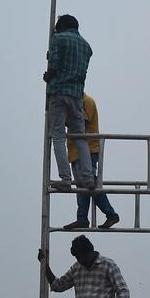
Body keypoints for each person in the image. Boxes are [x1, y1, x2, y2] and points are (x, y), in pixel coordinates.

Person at [44, 14, 94, 191]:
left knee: (58, 136)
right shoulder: (86, 47)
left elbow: (54, 65)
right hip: (77, 96)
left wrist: (47, 75)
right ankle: (88, 178)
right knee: (80, 137)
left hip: (58, 93)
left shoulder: (58, 39)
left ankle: (65, 179)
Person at [63, 92, 119, 230]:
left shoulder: (86, 101)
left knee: (89, 183)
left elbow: (80, 122)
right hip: (76, 152)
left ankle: (110, 214)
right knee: (82, 186)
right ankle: (82, 218)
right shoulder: (77, 103)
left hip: (88, 150)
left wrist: (60, 116)